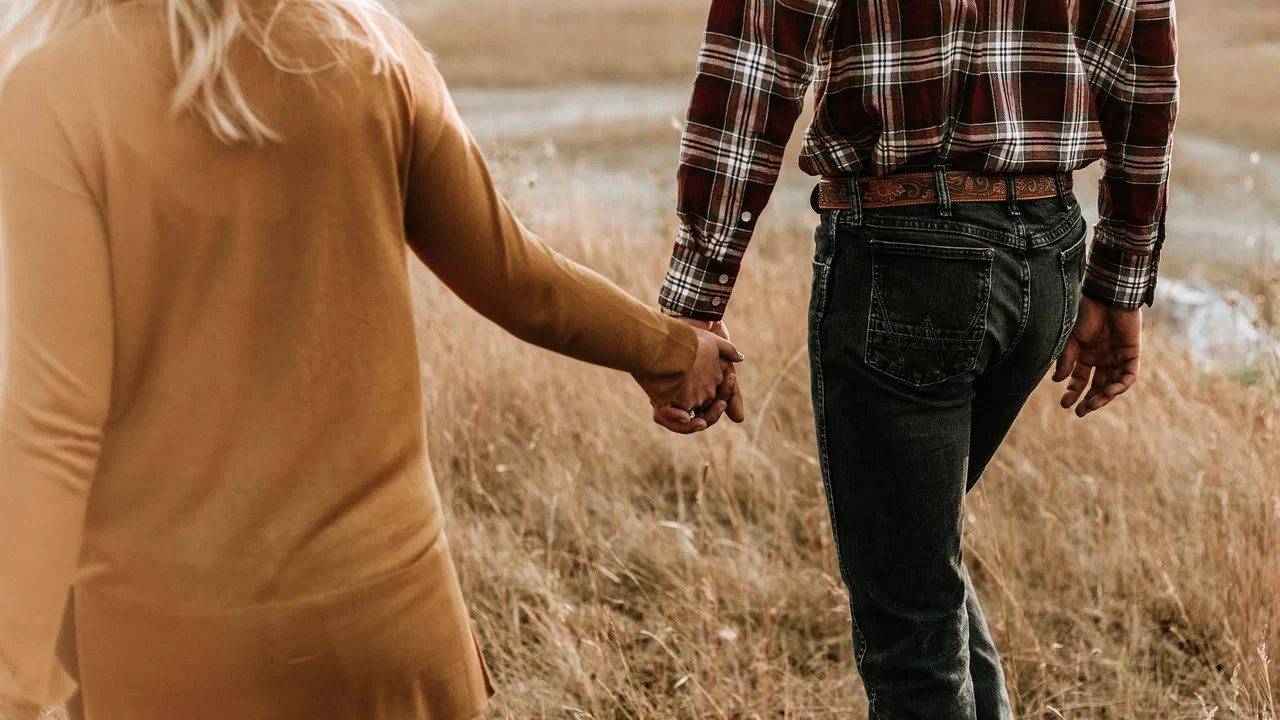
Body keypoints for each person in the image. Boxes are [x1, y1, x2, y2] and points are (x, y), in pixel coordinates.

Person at [0, 0, 746, 717]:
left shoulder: (56, 92)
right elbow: (519, 279)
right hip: (391, 629)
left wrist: (13, 683)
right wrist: (672, 351)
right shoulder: (372, 51)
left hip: (173, 650)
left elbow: (52, 426)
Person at [657, 0, 1178, 717]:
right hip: (1049, 250)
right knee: (922, 567)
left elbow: (757, 62)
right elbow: (1143, 71)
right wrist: (1119, 279)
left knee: (912, 626)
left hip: (907, 264)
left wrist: (696, 297)